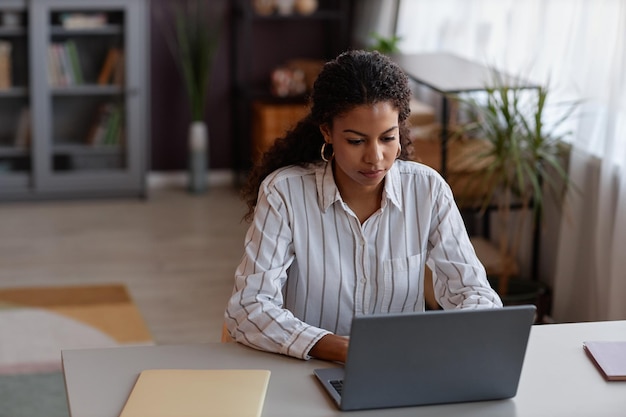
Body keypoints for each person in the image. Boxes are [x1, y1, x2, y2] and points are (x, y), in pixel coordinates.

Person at [224, 50, 502, 363]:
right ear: (327, 132)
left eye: (387, 138)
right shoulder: (285, 193)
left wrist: (449, 337)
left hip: (402, 368)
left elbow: (475, 294)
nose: (375, 157)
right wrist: (338, 348)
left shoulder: (428, 190)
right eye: (356, 141)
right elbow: (247, 307)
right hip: (309, 370)